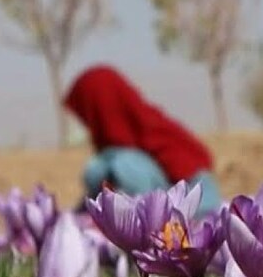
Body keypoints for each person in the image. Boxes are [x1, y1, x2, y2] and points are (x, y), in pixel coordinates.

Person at [63, 65, 222, 213]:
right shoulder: (146, 128)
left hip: (186, 218)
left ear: (98, 110)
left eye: (85, 114)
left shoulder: (122, 162)